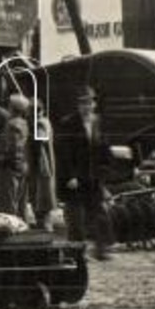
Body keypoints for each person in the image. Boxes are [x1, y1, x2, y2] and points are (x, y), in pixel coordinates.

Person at [60, 86, 115, 260]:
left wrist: (106, 169)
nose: (87, 106)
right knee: (75, 217)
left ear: (94, 104)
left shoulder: (98, 122)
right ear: (78, 105)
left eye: (90, 102)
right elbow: (64, 152)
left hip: (94, 176)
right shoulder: (68, 123)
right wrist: (70, 175)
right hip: (76, 178)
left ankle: (101, 249)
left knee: (100, 213)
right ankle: (77, 252)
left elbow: (104, 146)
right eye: (83, 103)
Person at [0, 92, 31, 218]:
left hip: (10, 167)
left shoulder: (12, 125)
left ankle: (9, 231)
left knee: (7, 203)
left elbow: (14, 146)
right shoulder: (23, 123)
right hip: (21, 165)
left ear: (13, 108)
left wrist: (1, 158)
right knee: (20, 201)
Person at [28, 98, 59, 231]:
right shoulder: (45, 121)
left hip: (42, 163)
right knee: (42, 196)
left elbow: (40, 140)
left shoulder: (40, 123)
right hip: (45, 162)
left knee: (42, 196)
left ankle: (46, 227)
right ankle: (44, 225)